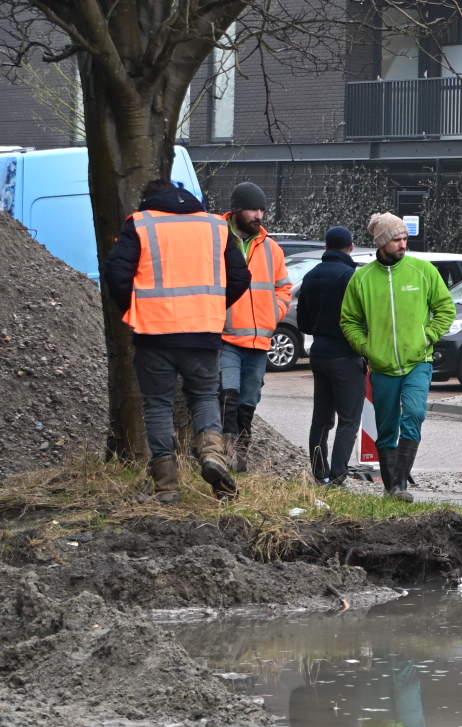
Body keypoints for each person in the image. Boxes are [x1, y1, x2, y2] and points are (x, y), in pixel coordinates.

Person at [103, 178, 251, 502]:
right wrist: (211, 306)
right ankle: (212, 456)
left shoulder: (141, 225)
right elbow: (241, 277)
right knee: (204, 397)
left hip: (154, 332)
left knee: (157, 405)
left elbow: (116, 271)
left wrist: (135, 308)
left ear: (148, 201)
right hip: (202, 331)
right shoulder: (216, 227)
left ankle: (167, 487)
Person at [340, 212, 454, 501]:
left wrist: (427, 336)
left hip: (418, 361)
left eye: (405, 238)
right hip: (382, 366)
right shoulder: (361, 279)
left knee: (415, 414)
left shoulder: (423, 270)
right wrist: (367, 348)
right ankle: (392, 488)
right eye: (396, 239)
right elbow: (349, 321)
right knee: (387, 427)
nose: (403, 244)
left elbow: (446, 308)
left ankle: (402, 484)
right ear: (381, 242)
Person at [219, 181, 292, 471]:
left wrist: (273, 313)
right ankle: (226, 454)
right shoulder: (217, 241)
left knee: (249, 400)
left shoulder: (272, 248)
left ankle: (240, 453)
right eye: (252, 209)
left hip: (260, 341)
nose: (259, 215)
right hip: (226, 338)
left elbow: (284, 288)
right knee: (229, 394)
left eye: (262, 209)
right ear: (236, 210)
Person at [298, 225, 365, 485]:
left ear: (325, 247)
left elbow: (303, 323)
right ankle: (338, 476)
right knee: (349, 419)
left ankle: (318, 472)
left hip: (319, 355)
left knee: (322, 418)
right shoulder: (350, 276)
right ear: (351, 247)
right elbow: (361, 318)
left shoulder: (311, 275)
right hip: (346, 356)